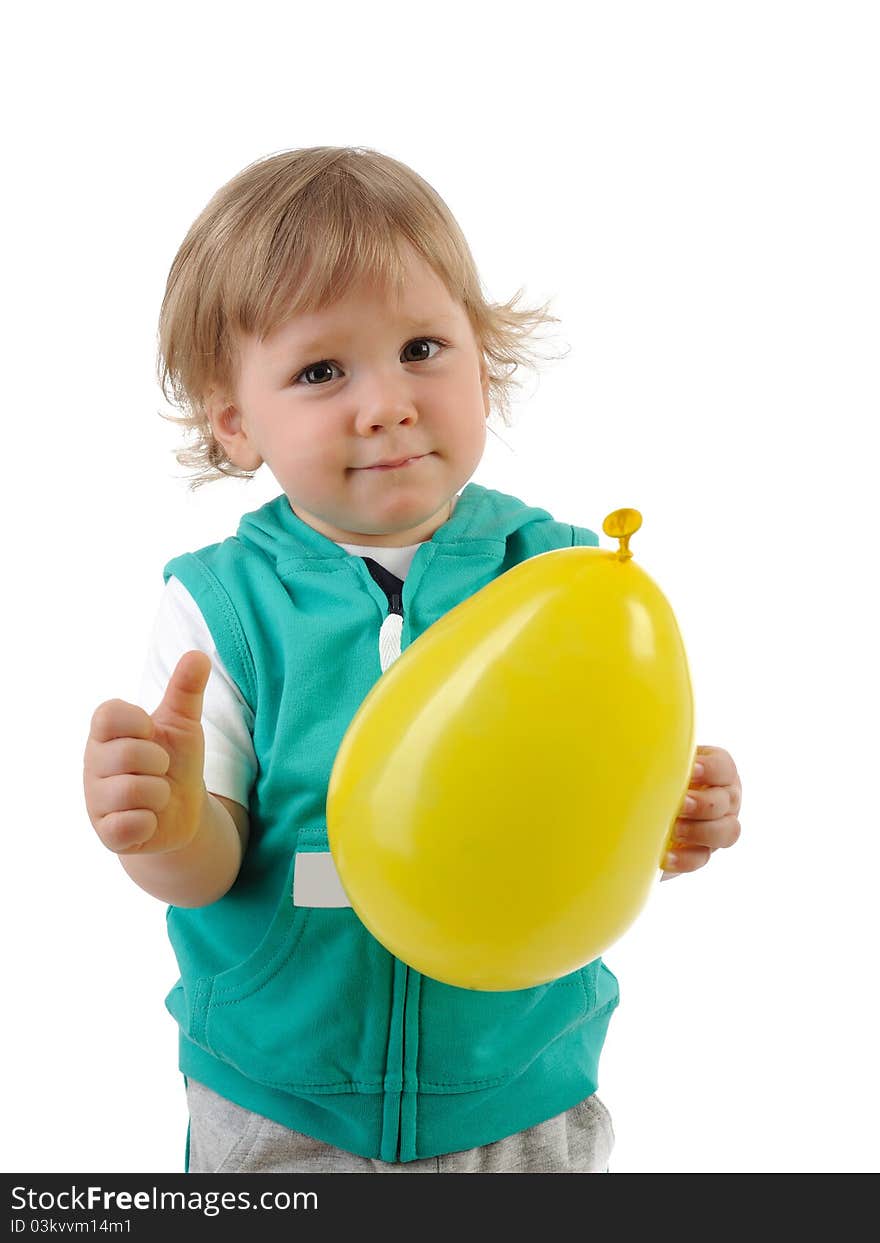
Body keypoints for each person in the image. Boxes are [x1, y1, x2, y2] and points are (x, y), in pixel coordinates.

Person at [82, 146, 742, 1174]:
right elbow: (203, 868)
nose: (385, 400)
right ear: (233, 421)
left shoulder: (564, 580)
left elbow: (598, 809)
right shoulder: (218, 606)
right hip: (282, 1100)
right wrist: (165, 825)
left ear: (486, 359)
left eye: (422, 348)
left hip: (518, 1089)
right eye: (319, 370)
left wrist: (678, 812)